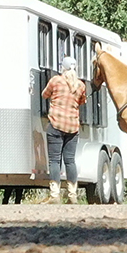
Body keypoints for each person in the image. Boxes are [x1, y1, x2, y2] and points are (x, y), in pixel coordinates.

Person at [40, 62, 86, 204]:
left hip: (56, 124)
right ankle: (72, 195)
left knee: (55, 160)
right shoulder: (80, 85)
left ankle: (55, 195)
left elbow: (44, 95)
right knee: (70, 161)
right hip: (72, 127)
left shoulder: (56, 81)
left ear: (62, 68)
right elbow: (82, 102)